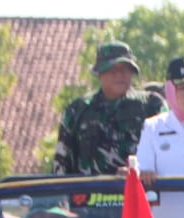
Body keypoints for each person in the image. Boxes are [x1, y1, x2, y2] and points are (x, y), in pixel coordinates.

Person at [54, 41, 166, 176]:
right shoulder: (77, 110)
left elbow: (170, 152)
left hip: (141, 188)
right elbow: (61, 164)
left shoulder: (152, 105)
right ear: (99, 73)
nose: (119, 75)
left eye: (125, 69)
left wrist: (141, 169)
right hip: (90, 188)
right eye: (112, 70)